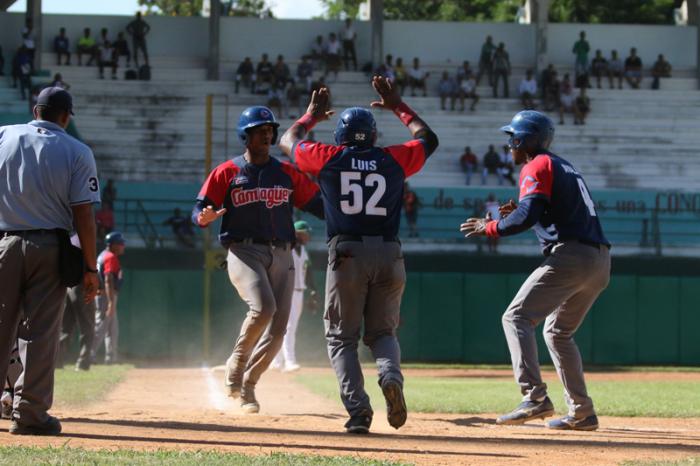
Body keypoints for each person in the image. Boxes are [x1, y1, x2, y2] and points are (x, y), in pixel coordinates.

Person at [279, 75, 440, 434]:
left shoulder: (329, 157)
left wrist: (309, 117)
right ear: (373, 135)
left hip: (348, 252)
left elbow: (288, 141)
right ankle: (390, 376)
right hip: (389, 251)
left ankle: (359, 412)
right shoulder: (392, 159)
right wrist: (398, 104)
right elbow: (428, 139)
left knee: (341, 337)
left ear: (340, 136)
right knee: (384, 332)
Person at [460, 110, 610, 432]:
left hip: (572, 256)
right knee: (557, 333)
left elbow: (526, 216)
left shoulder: (536, 163)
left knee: (515, 317)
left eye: (511, 139)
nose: (509, 145)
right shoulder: (563, 165)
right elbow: (547, 214)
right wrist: (529, 213)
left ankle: (535, 397)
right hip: (599, 260)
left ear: (523, 140)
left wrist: (491, 226)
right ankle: (582, 412)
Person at [192, 106, 323, 414]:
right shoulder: (227, 172)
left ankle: (249, 385)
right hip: (243, 251)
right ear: (245, 136)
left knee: (279, 330)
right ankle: (236, 364)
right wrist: (203, 216)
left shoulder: (287, 173)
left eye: (269, 130)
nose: (266, 134)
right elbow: (200, 208)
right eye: (259, 130)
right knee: (263, 308)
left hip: (283, 252)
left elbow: (319, 205)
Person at [0, 87, 100, 435]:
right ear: (66, 116)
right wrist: (90, 267)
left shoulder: (3, 136)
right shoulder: (77, 150)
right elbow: (84, 215)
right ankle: (29, 415)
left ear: (34, 110)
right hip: (49, 247)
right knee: (40, 333)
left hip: (4, 242)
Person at [271, 220, 319, 372]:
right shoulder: (287, 249)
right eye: (305, 233)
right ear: (297, 233)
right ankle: (288, 361)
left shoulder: (303, 251)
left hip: (299, 292)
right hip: (286, 292)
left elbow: (308, 271)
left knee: (289, 327)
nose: (308, 236)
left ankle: (277, 361)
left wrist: (313, 290)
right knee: (286, 327)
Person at [59, 234, 96, 371]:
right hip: (81, 286)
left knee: (65, 328)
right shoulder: (85, 238)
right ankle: (82, 363)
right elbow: (89, 266)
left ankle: (57, 362)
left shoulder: (71, 238)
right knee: (88, 327)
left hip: (69, 287)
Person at [91, 232, 126, 365]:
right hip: (106, 295)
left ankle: (110, 357)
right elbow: (108, 279)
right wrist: (111, 303)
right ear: (113, 245)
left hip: (105, 295)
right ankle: (89, 355)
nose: (123, 246)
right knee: (100, 326)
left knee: (112, 329)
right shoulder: (110, 257)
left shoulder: (104, 255)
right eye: (121, 243)